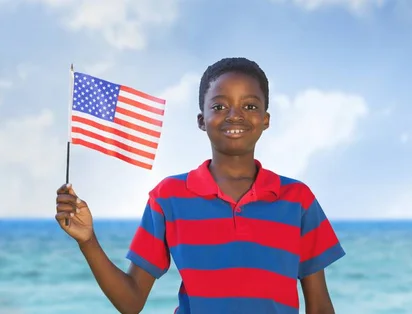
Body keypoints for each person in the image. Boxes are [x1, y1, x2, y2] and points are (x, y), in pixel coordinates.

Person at [55, 57, 346, 314]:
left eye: (250, 105)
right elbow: (131, 301)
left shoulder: (298, 200)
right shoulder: (169, 197)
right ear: (201, 120)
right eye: (220, 106)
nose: (235, 115)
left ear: (266, 119)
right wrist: (88, 241)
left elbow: (319, 305)